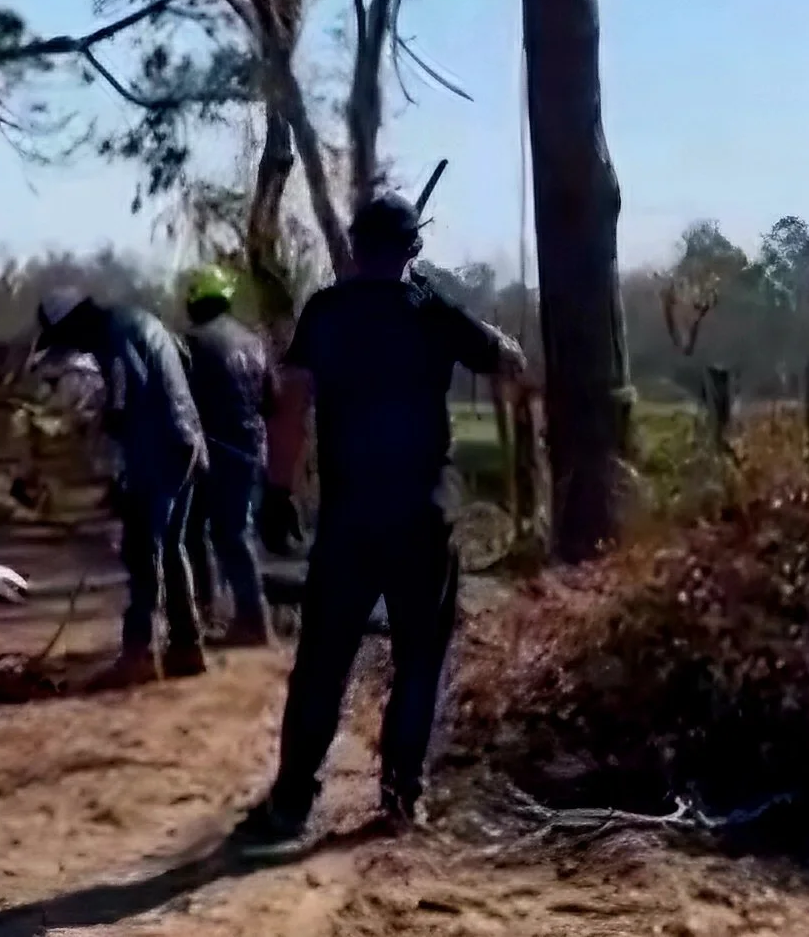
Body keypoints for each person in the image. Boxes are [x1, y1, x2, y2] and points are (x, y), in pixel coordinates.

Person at [236, 192, 526, 850]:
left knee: (322, 661)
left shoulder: (325, 312)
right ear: (411, 250)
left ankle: (290, 804)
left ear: (354, 246)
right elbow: (509, 362)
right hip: (421, 515)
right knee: (419, 658)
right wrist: (472, 327)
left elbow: (291, 408)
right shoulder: (431, 310)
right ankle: (401, 799)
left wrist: (277, 490)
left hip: (347, 518)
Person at [37, 287, 208, 682]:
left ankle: (139, 653)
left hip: (157, 452)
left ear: (74, 323)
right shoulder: (141, 320)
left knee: (142, 548)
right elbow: (179, 365)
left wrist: (99, 435)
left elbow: (122, 396)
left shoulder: (114, 334)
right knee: (171, 547)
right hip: (188, 444)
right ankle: (187, 647)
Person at [178, 266, 276, 647]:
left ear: (196, 300)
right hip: (251, 450)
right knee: (229, 532)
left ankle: (244, 620)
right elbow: (272, 400)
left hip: (213, 453)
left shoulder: (192, 343)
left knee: (211, 534)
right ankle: (224, 616)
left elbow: (180, 401)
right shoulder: (253, 342)